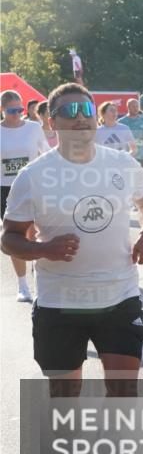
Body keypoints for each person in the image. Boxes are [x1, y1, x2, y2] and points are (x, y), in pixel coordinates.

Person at [1, 82, 143, 398]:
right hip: (59, 303)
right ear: (52, 122)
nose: (80, 117)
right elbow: (9, 238)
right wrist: (44, 249)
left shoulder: (122, 164)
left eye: (86, 109)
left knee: (124, 393)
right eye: (69, 111)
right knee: (65, 399)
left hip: (119, 297)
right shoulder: (33, 176)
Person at [1, 90, 51, 301]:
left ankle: (39, 279)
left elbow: (46, 152)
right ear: (2, 110)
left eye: (19, 110)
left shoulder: (33, 128)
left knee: (34, 234)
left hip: (33, 185)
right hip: (6, 189)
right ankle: (23, 286)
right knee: (16, 237)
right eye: (11, 111)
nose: (17, 114)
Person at [120, 98, 143, 176]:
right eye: (133, 106)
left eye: (137, 106)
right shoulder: (121, 122)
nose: (136, 108)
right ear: (128, 107)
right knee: (128, 177)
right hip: (128, 155)